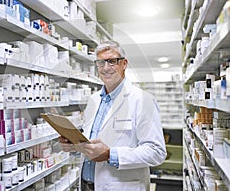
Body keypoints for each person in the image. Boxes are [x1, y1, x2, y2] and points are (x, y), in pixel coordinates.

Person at [60, 40, 167, 191]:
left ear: (124, 64)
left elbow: (156, 152)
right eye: (100, 63)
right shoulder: (93, 100)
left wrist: (110, 154)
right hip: (86, 185)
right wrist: (75, 146)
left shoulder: (143, 100)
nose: (105, 68)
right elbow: (92, 143)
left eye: (111, 61)